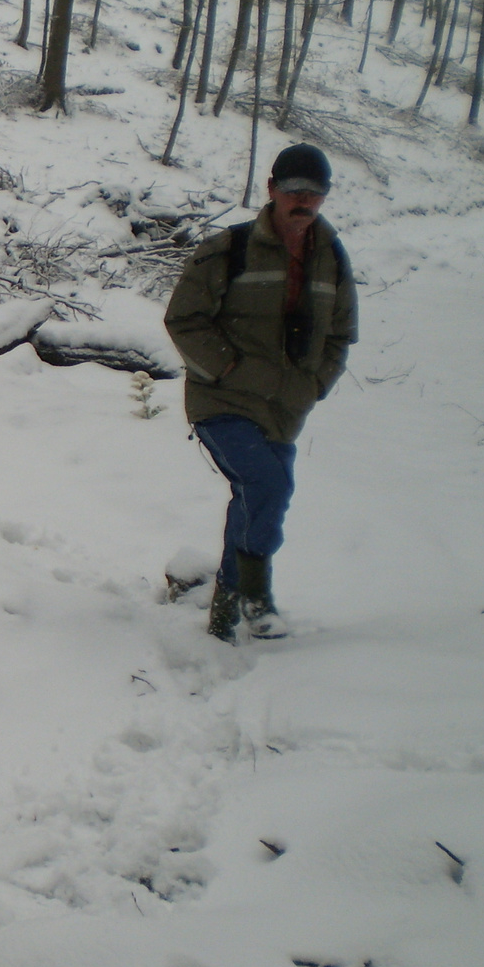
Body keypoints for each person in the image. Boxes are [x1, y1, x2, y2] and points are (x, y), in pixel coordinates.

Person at [164, 143, 358, 642]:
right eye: (294, 190)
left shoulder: (331, 258)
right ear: (271, 190)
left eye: (315, 193)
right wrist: (231, 369)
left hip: (285, 411)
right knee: (268, 488)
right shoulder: (227, 250)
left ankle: (225, 616)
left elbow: (340, 333)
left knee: (258, 499)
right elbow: (183, 321)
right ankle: (253, 599)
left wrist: (315, 384)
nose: (304, 201)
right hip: (221, 402)